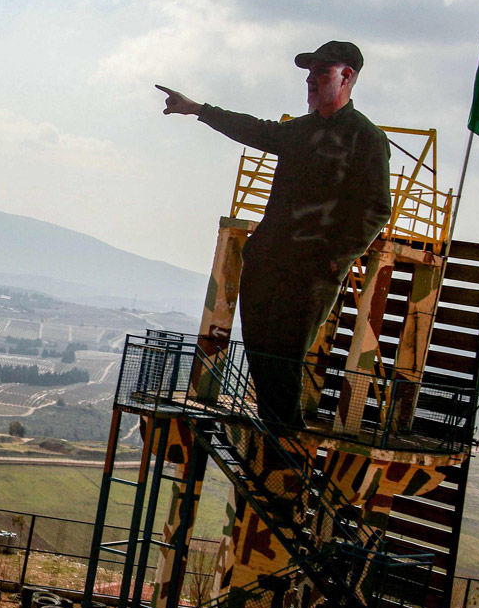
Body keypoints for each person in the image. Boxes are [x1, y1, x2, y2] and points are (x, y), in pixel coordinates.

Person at [155, 41, 390, 429]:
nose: (311, 80)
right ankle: (277, 431)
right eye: (309, 73)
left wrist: (333, 261)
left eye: (322, 72)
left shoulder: (365, 138)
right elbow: (255, 129)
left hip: (311, 272)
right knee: (262, 352)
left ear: (347, 76)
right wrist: (197, 109)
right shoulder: (301, 130)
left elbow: (377, 208)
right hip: (267, 262)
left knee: (285, 354)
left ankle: (284, 439)